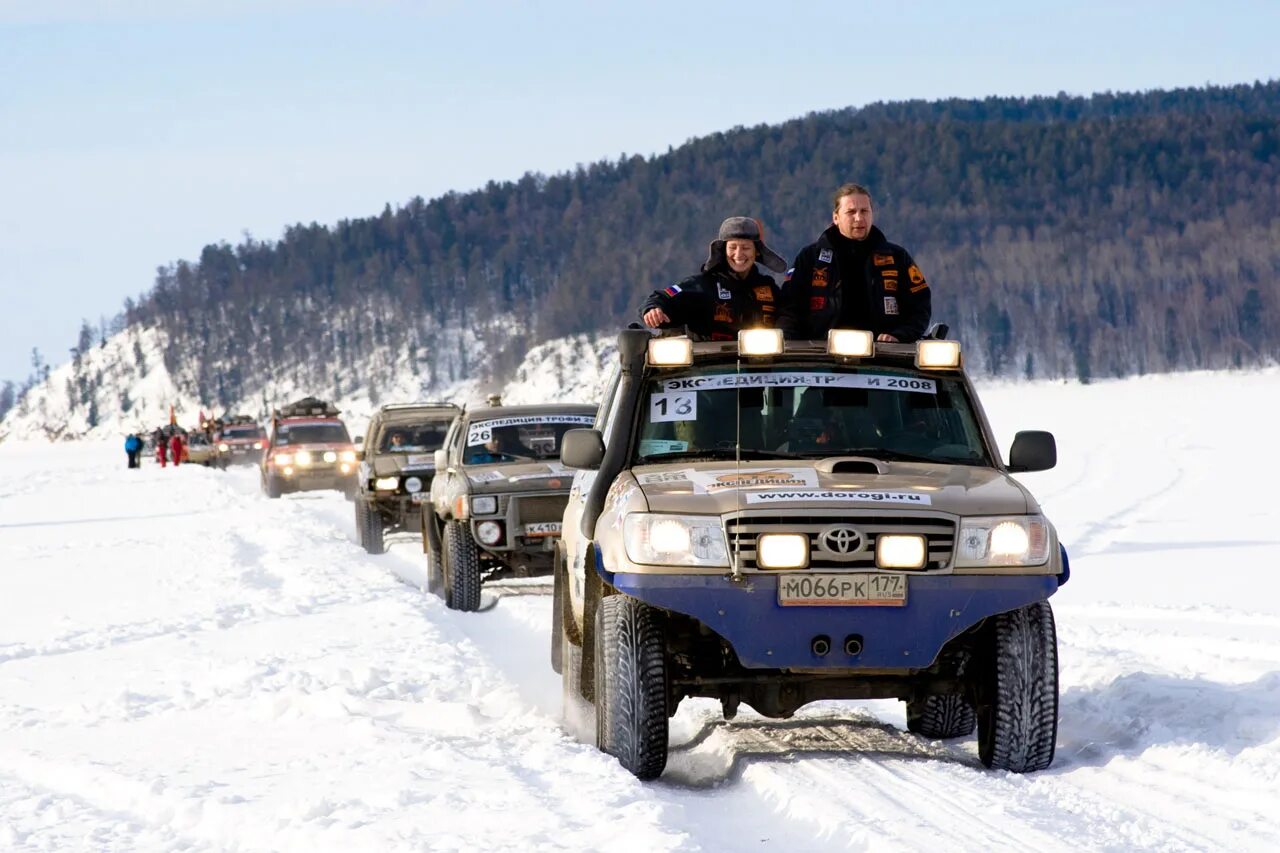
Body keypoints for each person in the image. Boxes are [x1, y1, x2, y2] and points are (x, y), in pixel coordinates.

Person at [778, 184, 932, 343]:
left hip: (884, 355)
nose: (859, 218)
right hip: (820, 355)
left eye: (864, 211)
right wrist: (789, 343)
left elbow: (920, 307)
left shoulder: (897, 258)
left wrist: (900, 335)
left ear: (872, 214)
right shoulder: (810, 258)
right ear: (836, 217)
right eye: (851, 212)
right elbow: (789, 308)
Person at [641, 216, 786, 341]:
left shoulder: (769, 289)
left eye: (746, 248)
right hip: (708, 368)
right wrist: (654, 309)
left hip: (762, 369)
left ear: (757, 252)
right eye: (732, 247)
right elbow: (664, 297)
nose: (739, 254)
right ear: (723, 251)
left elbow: (789, 317)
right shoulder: (702, 285)